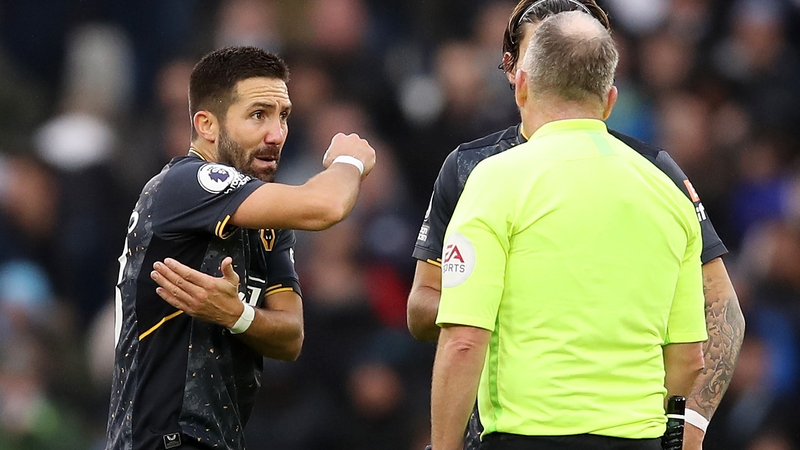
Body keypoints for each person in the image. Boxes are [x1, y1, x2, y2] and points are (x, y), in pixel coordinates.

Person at [407, 0, 744, 448]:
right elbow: (688, 354)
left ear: (521, 82)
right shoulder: (660, 187)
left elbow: (464, 338)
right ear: (610, 98)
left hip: (523, 432)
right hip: (636, 435)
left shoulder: (491, 178)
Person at [105, 46, 376, 450]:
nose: (277, 134)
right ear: (207, 125)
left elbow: (291, 336)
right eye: (258, 115)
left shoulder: (266, 222)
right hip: (163, 439)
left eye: (283, 116)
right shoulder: (186, 184)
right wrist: (348, 163)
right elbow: (326, 205)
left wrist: (237, 314)